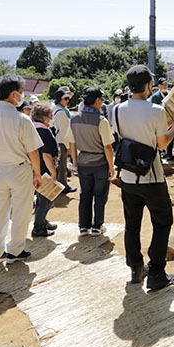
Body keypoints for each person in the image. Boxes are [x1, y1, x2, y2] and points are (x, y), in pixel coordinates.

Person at [113, 65, 174, 291]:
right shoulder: (157, 111)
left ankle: (136, 268)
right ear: (149, 85)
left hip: (127, 177)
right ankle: (156, 273)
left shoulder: (115, 110)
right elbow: (161, 144)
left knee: (132, 224)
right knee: (162, 222)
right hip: (151, 177)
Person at [0, 74, 44, 266]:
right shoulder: (22, 119)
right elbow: (33, 152)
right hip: (19, 170)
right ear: (14, 94)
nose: (22, 96)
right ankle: (15, 250)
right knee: (21, 211)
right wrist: (37, 174)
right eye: (21, 93)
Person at [68, 87, 116, 236]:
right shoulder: (101, 121)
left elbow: (72, 144)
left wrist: (75, 163)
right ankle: (97, 226)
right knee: (100, 195)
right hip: (100, 162)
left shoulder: (74, 119)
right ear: (96, 101)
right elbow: (107, 146)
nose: (102, 103)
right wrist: (111, 166)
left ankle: (83, 226)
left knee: (85, 195)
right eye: (101, 100)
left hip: (83, 162)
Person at [30, 101, 59, 237]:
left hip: (32, 169)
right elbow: (46, 155)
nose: (52, 118)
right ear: (44, 117)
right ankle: (38, 227)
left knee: (42, 199)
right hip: (43, 171)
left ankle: (42, 220)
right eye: (50, 115)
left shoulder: (31, 129)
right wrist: (53, 172)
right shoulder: (44, 132)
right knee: (45, 200)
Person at [52, 87, 77, 194]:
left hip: (58, 141)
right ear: (60, 99)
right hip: (62, 142)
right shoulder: (62, 112)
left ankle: (60, 185)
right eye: (65, 98)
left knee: (60, 165)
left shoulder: (56, 109)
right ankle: (63, 186)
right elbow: (64, 132)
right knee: (62, 165)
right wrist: (68, 147)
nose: (68, 100)